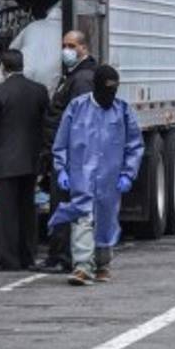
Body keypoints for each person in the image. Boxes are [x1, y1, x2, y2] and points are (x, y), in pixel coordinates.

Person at [48, 65, 144, 286]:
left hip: (110, 179)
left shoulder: (122, 111)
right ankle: (82, 267)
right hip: (81, 176)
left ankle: (102, 264)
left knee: (106, 221)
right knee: (83, 218)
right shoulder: (77, 108)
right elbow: (61, 143)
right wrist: (61, 169)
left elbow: (134, 145)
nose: (110, 96)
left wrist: (128, 174)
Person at [0, 50, 49, 272]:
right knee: (28, 210)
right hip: (30, 161)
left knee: (6, 214)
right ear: (22, 65)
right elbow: (46, 125)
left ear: (3, 68)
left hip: (4, 162)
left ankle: (9, 259)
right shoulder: (39, 91)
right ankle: (28, 256)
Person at [38, 30, 98, 272]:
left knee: (63, 205)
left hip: (71, 156)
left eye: (71, 45)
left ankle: (62, 257)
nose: (66, 50)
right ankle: (61, 255)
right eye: (64, 45)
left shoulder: (82, 78)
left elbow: (80, 121)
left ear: (83, 48)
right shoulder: (76, 75)